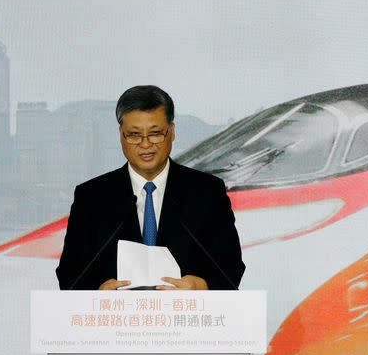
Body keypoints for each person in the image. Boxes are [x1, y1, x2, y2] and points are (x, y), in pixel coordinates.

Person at [56, 85, 244, 290]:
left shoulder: (207, 192)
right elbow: (69, 274)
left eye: (155, 134)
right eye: (134, 135)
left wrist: (199, 286)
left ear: (171, 132)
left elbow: (230, 267)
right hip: (115, 319)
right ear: (121, 135)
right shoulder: (91, 197)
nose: (145, 144)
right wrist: (97, 291)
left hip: (186, 318)